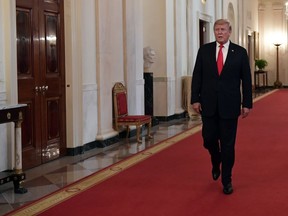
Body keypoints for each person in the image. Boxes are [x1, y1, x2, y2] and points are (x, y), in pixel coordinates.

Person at [191, 19, 252, 195]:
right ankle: (215, 159)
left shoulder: (240, 52)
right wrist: (195, 99)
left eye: (223, 29)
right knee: (208, 139)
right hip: (208, 105)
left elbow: (246, 80)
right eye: (217, 29)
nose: (219, 32)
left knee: (228, 145)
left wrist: (247, 103)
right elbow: (197, 76)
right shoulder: (205, 50)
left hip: (230, 106)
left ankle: (227, 180)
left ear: (229, 31)